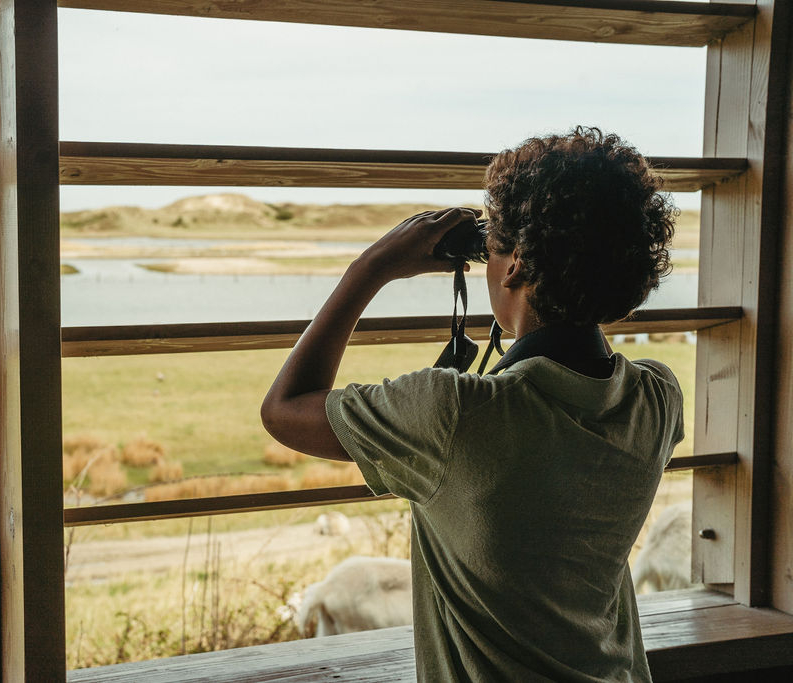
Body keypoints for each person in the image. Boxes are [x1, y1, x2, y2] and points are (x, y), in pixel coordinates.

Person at [260, 127, 684, 682]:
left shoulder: (454, 414)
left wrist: (373, 265)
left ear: (516, 264)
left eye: (493, 247)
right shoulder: (657, 399)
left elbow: (284, 409)